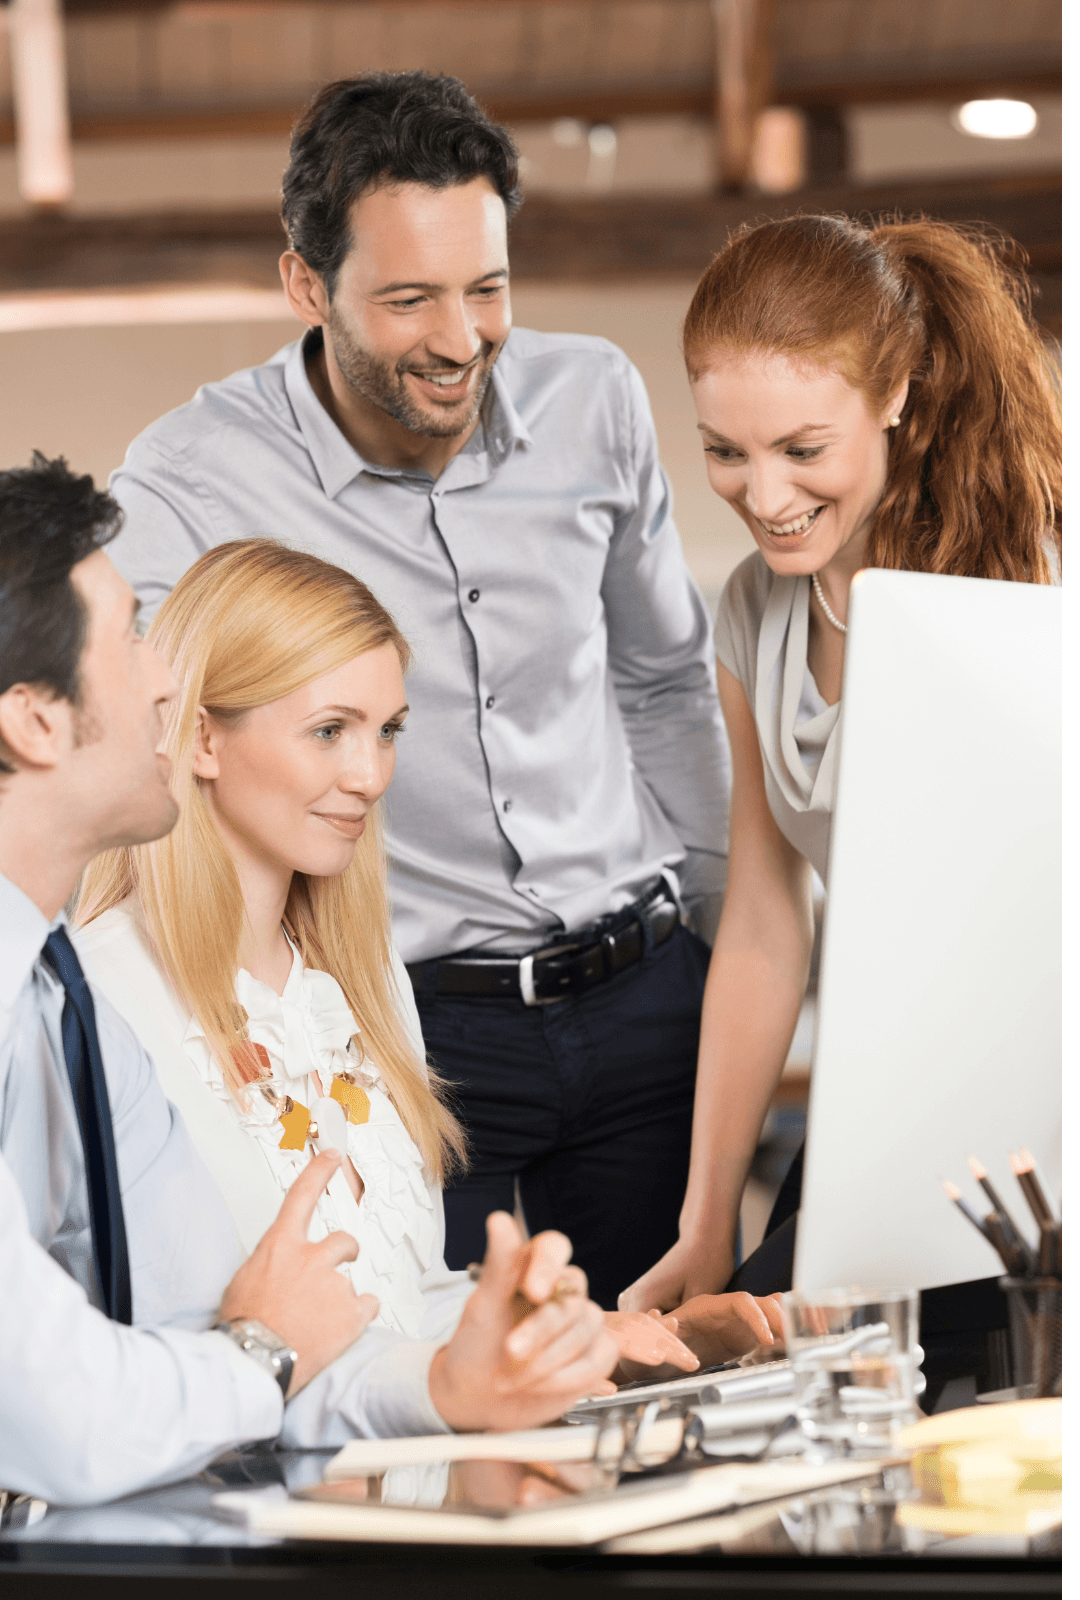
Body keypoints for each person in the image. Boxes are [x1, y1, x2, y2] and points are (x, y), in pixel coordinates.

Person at [105, 71, 732, 1309]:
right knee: (443, 1390)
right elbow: (142, 740)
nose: (460, 340)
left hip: (647, 997)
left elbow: (662, 682)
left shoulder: (594, 397)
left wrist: (719, 936)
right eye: (407, 299)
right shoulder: (191, 475)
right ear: (305, 284)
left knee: (653, 1389)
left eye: (486, 288)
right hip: (420, 1030)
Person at [0, 455, 627, 1507]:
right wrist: (259, 1349)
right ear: (33, 719)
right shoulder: (95, 990)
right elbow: (72, 1410)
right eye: (129, 639)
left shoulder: (55, 996)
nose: (165, 676)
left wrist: (449, 1375)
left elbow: (263, 1344)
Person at [75, 536, 780, 1391]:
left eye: (387, 732)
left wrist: (600, 1337)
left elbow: (412, 1302)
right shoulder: (103, 999)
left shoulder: (364, 980)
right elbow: (131, 1358)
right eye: (330, 731)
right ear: (201, 741)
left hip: (412, 1484)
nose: (370, 775)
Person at [621, 214, 1061, 1331]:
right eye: (727, 449)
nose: (764, 495)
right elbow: (770, 926)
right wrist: (707, 1219)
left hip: (1038, 1105)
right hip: (892, 1108)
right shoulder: (751, 615)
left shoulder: (1028, 587)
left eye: (803, 449)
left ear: (897, 396)